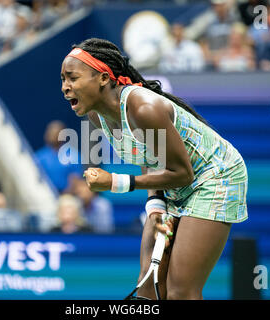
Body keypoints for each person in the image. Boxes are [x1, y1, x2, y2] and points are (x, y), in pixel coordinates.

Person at [60, 38, 248, 300]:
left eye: (72, 78)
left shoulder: (143, 108)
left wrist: (115, 182)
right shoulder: (96, 115)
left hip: (215, 176)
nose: (65, 87)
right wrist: (156, 207)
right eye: (63, 80)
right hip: (172, 183)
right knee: (147, 287)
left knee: (180, 291)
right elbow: (151, 158)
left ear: (103, 78)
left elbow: (183, 173)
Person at [35, 120, 83, 193]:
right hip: (43, 194)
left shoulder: (73, 155)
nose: (52, 135)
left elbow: (76, 180)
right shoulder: (40, 156)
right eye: (50, 132)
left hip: (67, 196)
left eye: (55, 132)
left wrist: (64, 195)